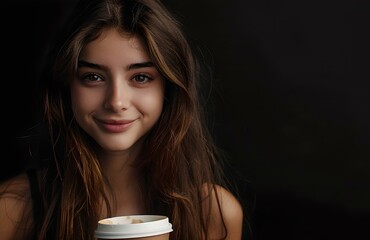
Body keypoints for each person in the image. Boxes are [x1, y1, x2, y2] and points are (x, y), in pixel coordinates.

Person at [0, 0, 244, 239]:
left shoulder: (213, 213)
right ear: (67, 86)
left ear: (169, 89)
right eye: (93, 77)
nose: (116, 101)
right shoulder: (11, 209)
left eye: (140, 77)